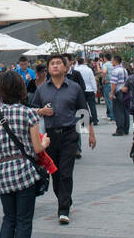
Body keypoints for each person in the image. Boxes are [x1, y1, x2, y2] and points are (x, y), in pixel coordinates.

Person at [0, 70, 46, 238]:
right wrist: (45, 143)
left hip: (2, 174)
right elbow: (37, 148)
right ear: (21, 88)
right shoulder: (28, 113)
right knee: (23, 222)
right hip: (23, 172)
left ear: (0, 91)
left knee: (8, 220)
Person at [31, 54, 95, 225]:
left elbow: (83, 111)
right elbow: (32, 109)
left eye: (59, 63)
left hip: (69, 134)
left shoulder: (74, 88)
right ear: (48, 69)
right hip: (50, 136)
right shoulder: (42, 89)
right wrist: (42, 111)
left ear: (66, 68)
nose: (56, 66)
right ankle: (64, 199)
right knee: (56, 173)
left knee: (66, 172)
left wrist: (89, 134)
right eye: (52, 63)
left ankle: (63, 208)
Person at [107, 55, 129, 135]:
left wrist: (111, 93)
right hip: (124, 92)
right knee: (125, 110)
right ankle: (126, 128)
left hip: (118, 92)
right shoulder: (124, 70)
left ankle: (120, 130)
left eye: (112, 60)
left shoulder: (115, 71)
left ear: (115, 61)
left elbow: (114, 83)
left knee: (118, 111)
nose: (111, 61)